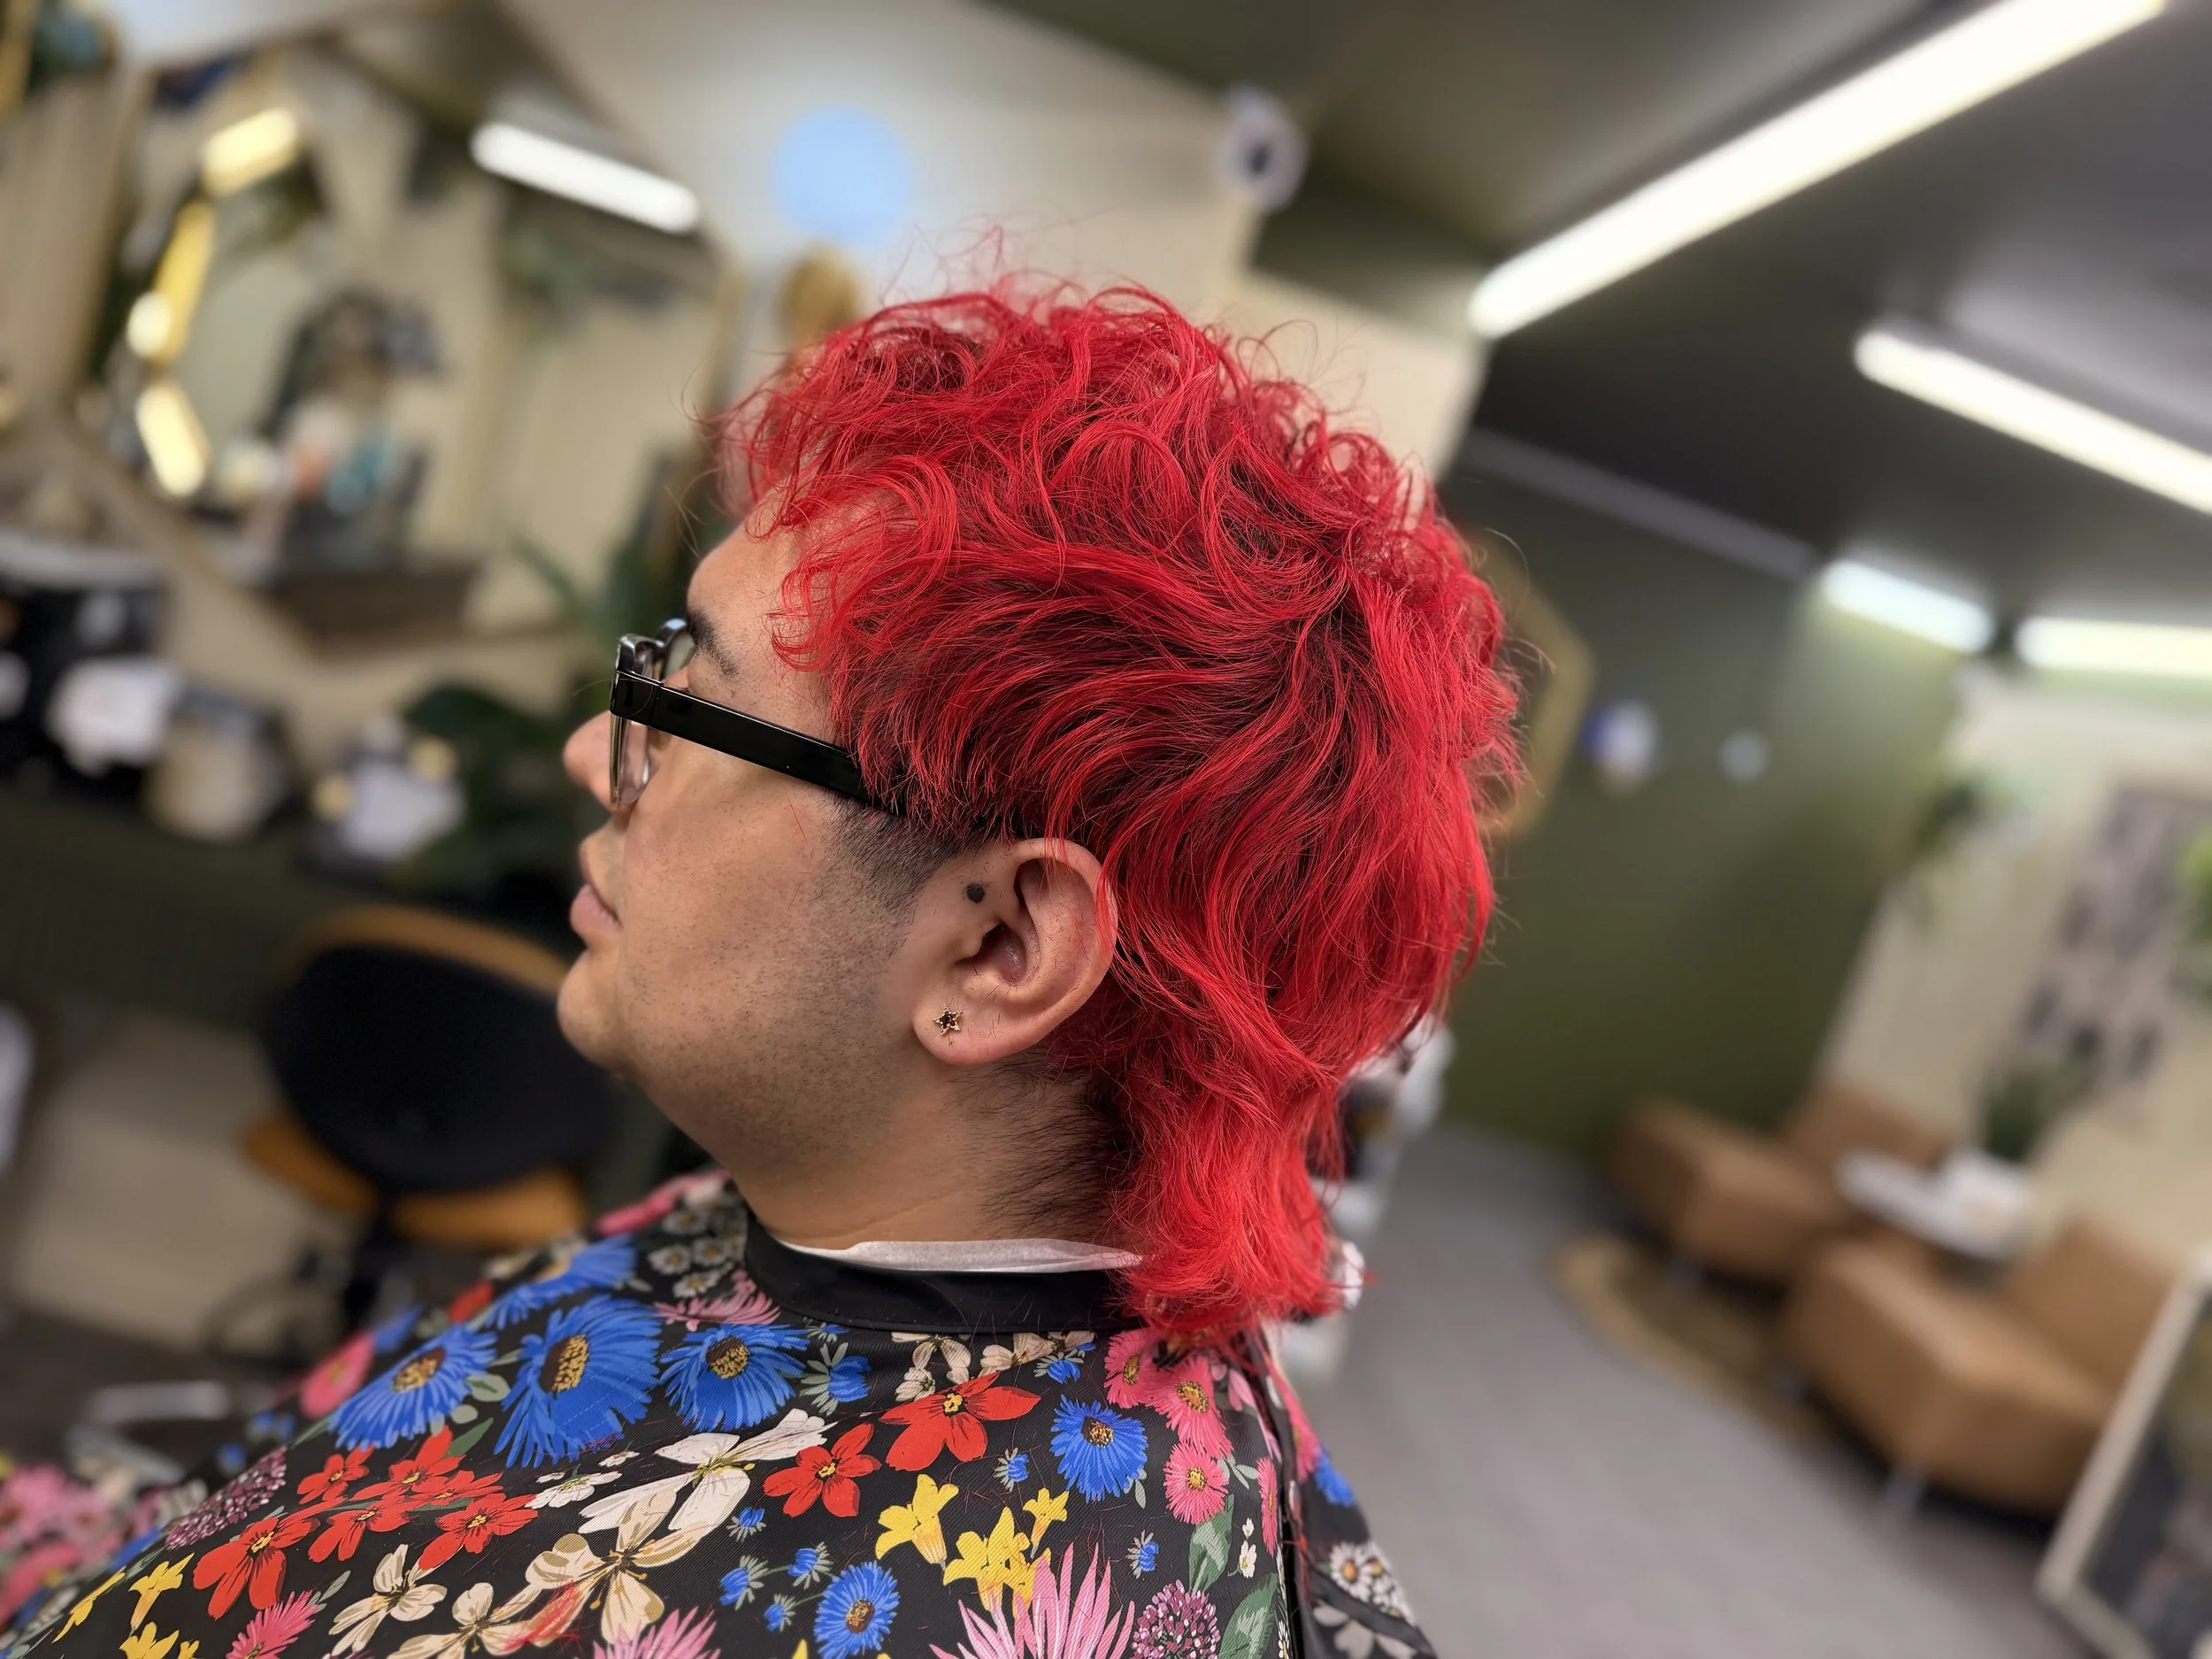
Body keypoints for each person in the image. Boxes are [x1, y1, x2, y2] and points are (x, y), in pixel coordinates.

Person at [0, 284, 1512, 1659]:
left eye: (694, 705)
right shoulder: (801, 1215)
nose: (594, 751)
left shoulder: (902, 1602)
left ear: (1000, 947)